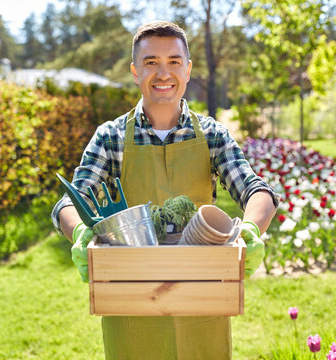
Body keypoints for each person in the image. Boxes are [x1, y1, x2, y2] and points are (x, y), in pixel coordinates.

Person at [52, 21, 278, 360]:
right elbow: (71, 202)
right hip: (131, 302)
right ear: (134, 71)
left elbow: (257, 191)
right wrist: (81, 232)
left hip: (201, 300)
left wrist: (249, 229)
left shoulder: (213, 135)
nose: (163, 73)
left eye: (174, 62)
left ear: (187, 70)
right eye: (150, 62)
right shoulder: (111, 137)